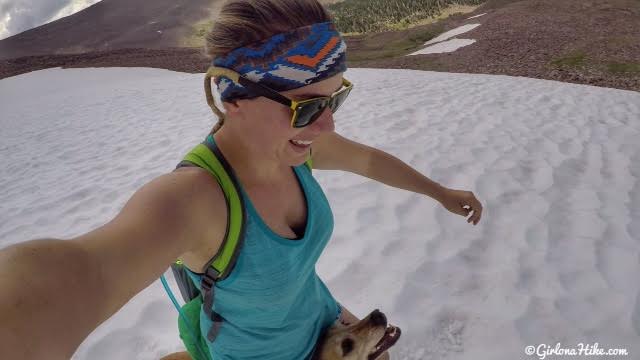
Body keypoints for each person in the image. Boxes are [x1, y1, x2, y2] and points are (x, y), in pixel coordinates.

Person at [0, 0, 483, 359]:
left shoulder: (298, 149)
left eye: (336, 99)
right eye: (307, 107)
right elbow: (79, 275)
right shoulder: (192, 201)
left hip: (323, 322)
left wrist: (438, 192)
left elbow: (369, 161)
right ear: (234, 98)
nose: (327, 125)